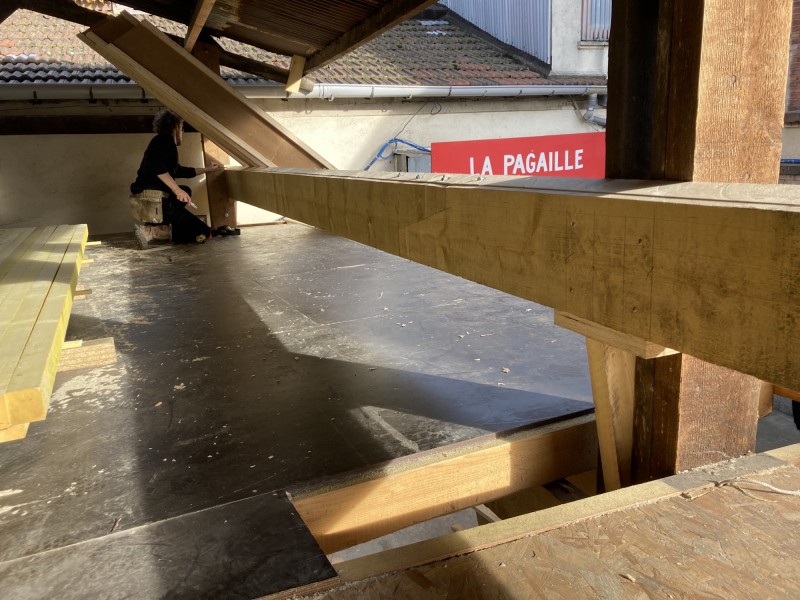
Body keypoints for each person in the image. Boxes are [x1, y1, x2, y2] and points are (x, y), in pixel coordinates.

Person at [130, 109, 222, 244]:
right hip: (152, 197)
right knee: (203, 232)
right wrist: (176, 190)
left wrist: (207, 169)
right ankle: (150, 232)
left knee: (186, 191)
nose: (182, 132)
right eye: (182, 128)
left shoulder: (163, 143)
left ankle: (156, 229)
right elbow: (155, 164)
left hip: (152, 196)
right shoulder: (164, 140)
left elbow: (178, 170)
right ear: (176, 127)